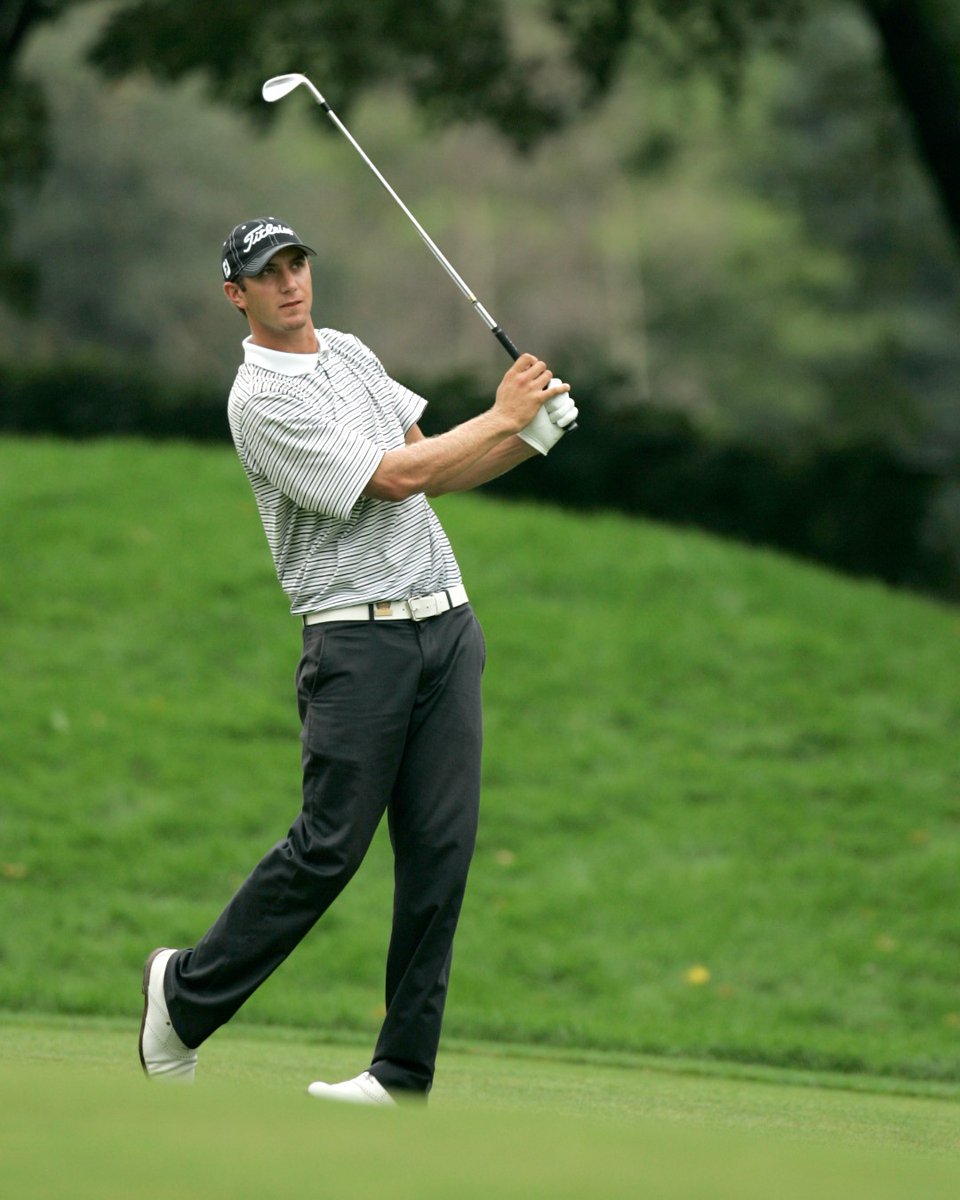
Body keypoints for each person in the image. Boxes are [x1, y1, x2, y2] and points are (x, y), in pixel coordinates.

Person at [138, 216, 578, 1103]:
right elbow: (389, 479)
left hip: (446, 627)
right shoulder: (258, 399)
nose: (290, 283)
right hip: (356, 641)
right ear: (239, 295)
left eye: (297, 264)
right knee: (327, 848)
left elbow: (429, 461)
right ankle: (181, 997)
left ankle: (400, 1076)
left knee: (441, 856)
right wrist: (502, 414)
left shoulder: (346, 351)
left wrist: (529, 437)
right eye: (268, 274)